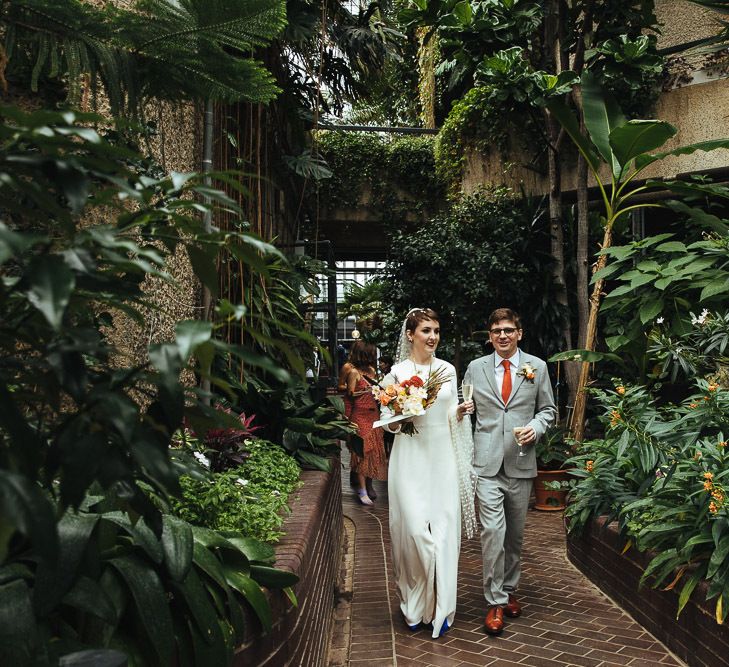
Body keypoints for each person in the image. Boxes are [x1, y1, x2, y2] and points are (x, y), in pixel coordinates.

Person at [380, 308, 476, 639]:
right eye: (425, 330)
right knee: (413, 534)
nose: (432, 336)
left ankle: (443, 606)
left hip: (443, 458)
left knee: (445, 533)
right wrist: (402, 411)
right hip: (410, 459)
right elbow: (387, 424)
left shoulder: (448, 369)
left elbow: (451, 413)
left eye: (436, 330)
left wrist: (461, 412)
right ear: (410, 335)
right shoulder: (395, 374)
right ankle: (413, 603)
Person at [462, 307, 556, 636]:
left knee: (515, 536)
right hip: (486, 465)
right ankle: (495, 602)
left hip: (521, 460)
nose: (503, 335)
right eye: (497, 330)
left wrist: (536, 427)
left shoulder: (537, 368)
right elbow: (465, 411)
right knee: (493, 534)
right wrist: (460, 413)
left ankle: (509, 589)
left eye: (509, 330)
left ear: (519, 333)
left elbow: (548, 409)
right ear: (489, 337)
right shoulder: (474, 368)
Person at [344, 342, 388, 505]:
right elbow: (349, 396)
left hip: (374, 416)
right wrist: (347, 422)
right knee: (361, 453)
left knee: (373, 452)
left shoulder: (372, 371)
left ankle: (369, 485)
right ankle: (362, 490)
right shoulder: (353, 372)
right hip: (359, 417)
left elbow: (378, 394)